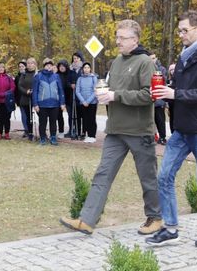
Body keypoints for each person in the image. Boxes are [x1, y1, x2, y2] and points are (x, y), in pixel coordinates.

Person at [60, 19, 162, 235]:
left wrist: (117, 95)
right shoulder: (116, 61)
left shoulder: (146, 62)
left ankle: (155, 217)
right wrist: (104, 93)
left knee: (148, 177)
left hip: (139, 130)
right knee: (102, 174)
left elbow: (149, 95)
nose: (117, 41)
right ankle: (87, 220)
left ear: (135, 39)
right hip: (115, 130)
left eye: (122, 38)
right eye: (117, 37)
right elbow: (111, 88)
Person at [145, 10, 197, 248]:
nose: (180, 35)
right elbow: (178, 89)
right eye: (179, 30)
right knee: (165, 176)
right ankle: (170, 228)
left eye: (184, 30)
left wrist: (175, 93)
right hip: (181, 129)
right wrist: (163, 93)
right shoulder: (184, 56)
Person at [32, 58, 66, 145]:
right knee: (42, 122)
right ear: (44, 66)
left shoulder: (56, 76)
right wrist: (35, 104)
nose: (49, 67)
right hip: (42, 104)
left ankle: (53, 137)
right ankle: (42, 138)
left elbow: (60, 90)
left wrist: (62, 103)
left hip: (55, 104)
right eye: (47, 65)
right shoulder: (38, 76)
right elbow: (35, 91)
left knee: (53, 122)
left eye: (50, 65)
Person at [76, 62, 98, 143]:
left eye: (88, 67)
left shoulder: (94, 78)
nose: (86, 69)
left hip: (92, 103)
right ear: (83, 69)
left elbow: (95, 91)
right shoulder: (80, 79)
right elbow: (77, 91)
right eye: (85, 68)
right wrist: (83, 101)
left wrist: (88, 101)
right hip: (83, 103)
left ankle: (92, 135)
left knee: (91, 119)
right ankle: (87, 135)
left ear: (90, 69)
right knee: (85, 119)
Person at [151, 54, 168, 145]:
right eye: (150, 58)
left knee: (160, 119)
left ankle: (162, 137)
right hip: (149, 99)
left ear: (156, 58)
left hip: (159, 99)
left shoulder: (161, 69)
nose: (152, 60)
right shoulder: (146, 67)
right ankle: (153, 136)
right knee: (150, 120)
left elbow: (163, 80)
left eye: (153, 58)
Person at [19, 58, 37, 141]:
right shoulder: (24, 74)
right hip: (26, 98)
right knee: (28, 117)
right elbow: (20, 86)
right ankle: (30, 133)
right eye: (28, 63)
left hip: (37, 98)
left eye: (31, 63)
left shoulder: (37, 74)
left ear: (35, 64)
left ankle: (43, 134)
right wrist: (26, 91)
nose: (30, 65)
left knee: (41, 116)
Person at [71, 51, 85, 140]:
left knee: (83, 115)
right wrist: (71, 85)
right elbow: (68, 80)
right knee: (76, 115)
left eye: (77, 58)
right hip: (73, 95)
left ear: (80, 58)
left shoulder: (84, 68)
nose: (75, 60)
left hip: (82, 95)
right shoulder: (71, 69)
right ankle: (76, 132)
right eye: (74, 58)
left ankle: (83, 132)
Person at [14, 61, 28, 138]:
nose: (21, 68)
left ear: (25, 67)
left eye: (22, 66)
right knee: (23, 115)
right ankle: (26, 130)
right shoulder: (17, 77)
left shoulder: (29, 75)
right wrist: (16, 100)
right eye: (20, 67)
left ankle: (30, 129)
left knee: (29, 115)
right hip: (20, 99)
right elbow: (15, 90)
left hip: (29, 98)